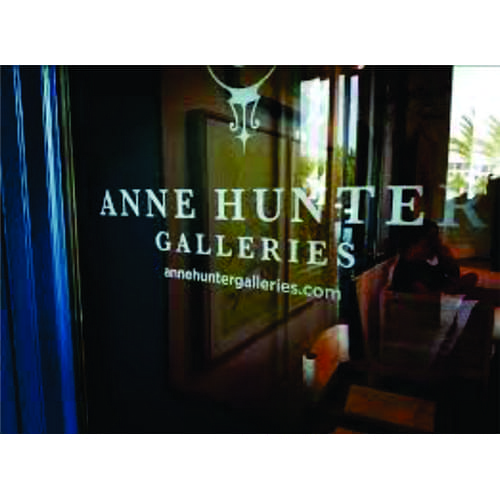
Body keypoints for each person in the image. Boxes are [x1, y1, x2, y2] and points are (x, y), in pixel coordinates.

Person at [391, 219, 476, 294]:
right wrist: (454, 288)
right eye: (430, 240)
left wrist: (448, 260)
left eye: (436, 238)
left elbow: (453, 276)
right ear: (416, 242)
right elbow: (426, 296)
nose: (435, 243)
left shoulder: (432, 260)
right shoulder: (407, 267)